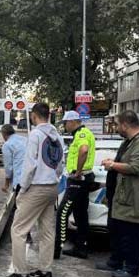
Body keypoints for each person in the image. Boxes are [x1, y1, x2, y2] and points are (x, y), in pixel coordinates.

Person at [1, 103, 64, 277]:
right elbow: (60, 164)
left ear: (34, 116)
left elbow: (29, 166)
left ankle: (20, 274)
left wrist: (23, 188)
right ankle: (45, 270)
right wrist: (54, 177)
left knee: (18, 229)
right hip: (52, 186)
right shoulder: (57, 136)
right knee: (47, 230)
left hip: (36, 187)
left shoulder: (35, 135)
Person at [99, 110, 139, 277]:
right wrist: (114, 163)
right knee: (117, 230)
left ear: (125, 125)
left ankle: (132, 268)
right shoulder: (130, 142)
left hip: (134, 197)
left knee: (131, 234)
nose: (116, 128)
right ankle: (116, 261)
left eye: (117, 125)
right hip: (123, 195)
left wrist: (112, 165)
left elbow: (136, 167)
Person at [56, 111, 96, 260]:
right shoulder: (82, 134)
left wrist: (78, 172)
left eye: (65, 123)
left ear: (72, 122)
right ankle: (81, 247)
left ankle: (56, 248)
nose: (64, 126)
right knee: (80, 213)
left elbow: (83, 150)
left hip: (78, 179)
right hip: (84, 178)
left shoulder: (81, 134)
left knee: (62, 212)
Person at [1, 124, 27, 195]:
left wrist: (6, 184)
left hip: (20, 180)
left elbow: (8, 167)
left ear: (4, 134)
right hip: (32, 178)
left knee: (19, 200)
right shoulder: (25, 139)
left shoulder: (7, 145)